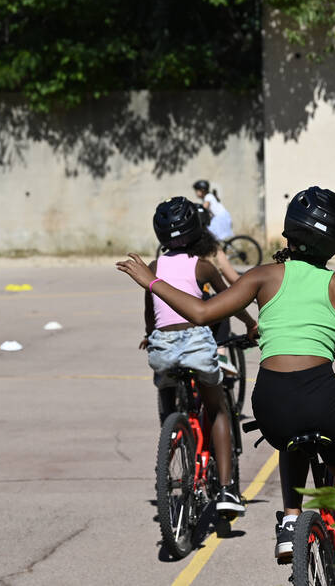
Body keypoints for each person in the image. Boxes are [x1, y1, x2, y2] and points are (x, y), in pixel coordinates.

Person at [118, 186, 335, 568]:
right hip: (320, 399)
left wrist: (151, 280)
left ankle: (290, 519)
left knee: (290, 436)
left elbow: (203, 314)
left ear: (290, 230)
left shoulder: (263, 276)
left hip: (271, 402)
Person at [142, 196, 257, 518]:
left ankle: (172, 432)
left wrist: (148, 335)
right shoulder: (203, 265)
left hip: (162, 346)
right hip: (195, 343)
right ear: (196, 229)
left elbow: (150, 313)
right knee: (218, 408)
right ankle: (225, 490)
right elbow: (230, 300)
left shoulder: (154, 268)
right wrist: (251, 325)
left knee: (166, 388)